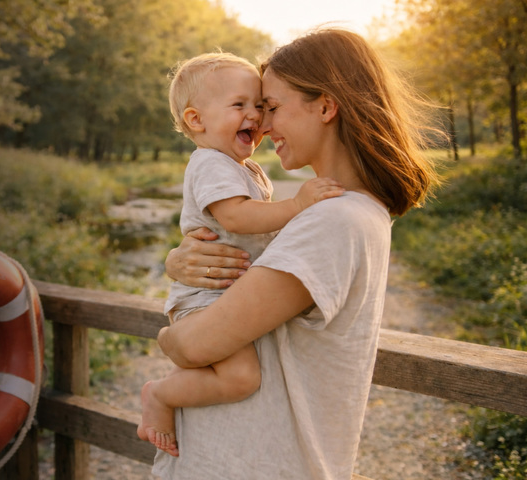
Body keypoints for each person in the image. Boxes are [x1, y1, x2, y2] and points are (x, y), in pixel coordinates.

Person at [150, 28, 442, 479]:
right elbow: (244, 245)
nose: (263, 125)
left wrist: (167, 336)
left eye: (271, 107)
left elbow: (194, 344)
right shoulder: (344, 212)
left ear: (325, 106)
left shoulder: (335, 220)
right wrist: (180, 259)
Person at [137, 52, 344, 457]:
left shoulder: (243, 167)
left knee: (227, 373)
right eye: (240, 105)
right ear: (197, 120)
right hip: (206, 295)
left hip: (220, 291)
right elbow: (236, 216)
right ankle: (160, 395)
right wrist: (297, 205)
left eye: (262, 106)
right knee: (241, 379)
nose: (257, 117)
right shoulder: (211, 162)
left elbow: (259, 227)